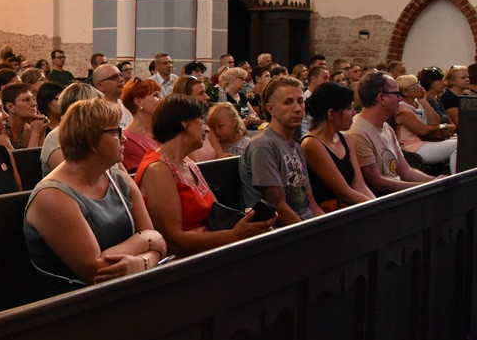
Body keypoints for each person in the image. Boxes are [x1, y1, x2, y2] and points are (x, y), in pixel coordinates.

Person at [23, 99, 166, 298]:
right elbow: (96, 271)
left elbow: (160, 244)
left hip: (125, 290)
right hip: (71, 304)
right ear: (91, 140)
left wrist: (140, 263)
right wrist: (146, 241)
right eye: (116, 132)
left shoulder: (119, 178)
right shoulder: (52, 196)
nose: (124, 139)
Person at [135, 95, 273, 257]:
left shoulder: (188, 164)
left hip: (210, 253)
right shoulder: (158, 169)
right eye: (201, 119)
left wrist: (246, 221)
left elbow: (215, 215)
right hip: (184, 263)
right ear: (183, 123)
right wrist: (234, 235)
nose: (207, 129)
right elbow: (172, 240)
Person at [240, 76, 325, 225]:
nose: (298, 108)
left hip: (306, 224)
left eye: (300, 101)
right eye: (288, 102)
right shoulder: (263, 145)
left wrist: (327, 225)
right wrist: (311, 235)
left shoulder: (296, 147)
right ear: (271, 109)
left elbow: (310, 202)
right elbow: (278, 206)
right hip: (283, 233)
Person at [345, 72, 438, 196]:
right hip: (382, 200)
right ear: (382, 97)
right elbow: (377, 183)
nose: (400, 99)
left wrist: (433, 180)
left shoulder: (386, 126)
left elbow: (405, 170)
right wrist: (425, 186)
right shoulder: (357, 132)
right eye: (396, 94)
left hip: (396, 194)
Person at [301, 82, 375, 211]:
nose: (353, 112)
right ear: (331, 114)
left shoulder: (346, 139)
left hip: (350, 207)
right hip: (329, 214)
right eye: (348, 108)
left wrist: (378, 204)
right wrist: (377, 208)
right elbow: (344, 192)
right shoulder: (311, 144)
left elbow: (359, 185)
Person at [395, 74, 456, 173]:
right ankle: (457, 180)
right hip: (411, 147)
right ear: (405, 92)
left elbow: (436, 121)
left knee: (464, 142)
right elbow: (422, 130)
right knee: (456, 146)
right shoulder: (401, 109)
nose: (420, 88)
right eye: (415, 87)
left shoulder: (417, 103)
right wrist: (438, 127)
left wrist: (424, 102)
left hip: (424, 141)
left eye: (418, 84)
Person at [41, 82, 101, 175]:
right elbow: (75, 177)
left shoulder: (95, 133)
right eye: (97, 107)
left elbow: (120, 173)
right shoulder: (56, 138)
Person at [121, 78, 162, 173]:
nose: (161, 99)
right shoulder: (127, 140)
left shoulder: (161, 131)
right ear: (139, 102)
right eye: (156, 95)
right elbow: (150, 173)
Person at [1, 82, 49, 149]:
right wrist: (35, 133)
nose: (34, 104)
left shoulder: (29, 129)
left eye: (33, 99)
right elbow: (16, 159)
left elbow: (41, 157)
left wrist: (42, 130)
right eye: (27, 100)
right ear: (10, 107)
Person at [93, 63, 129, 127]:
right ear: (100, 86)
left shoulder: (127, 108)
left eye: (121, 75)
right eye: (114, 77)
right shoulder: (95, 113)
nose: (121, 79)